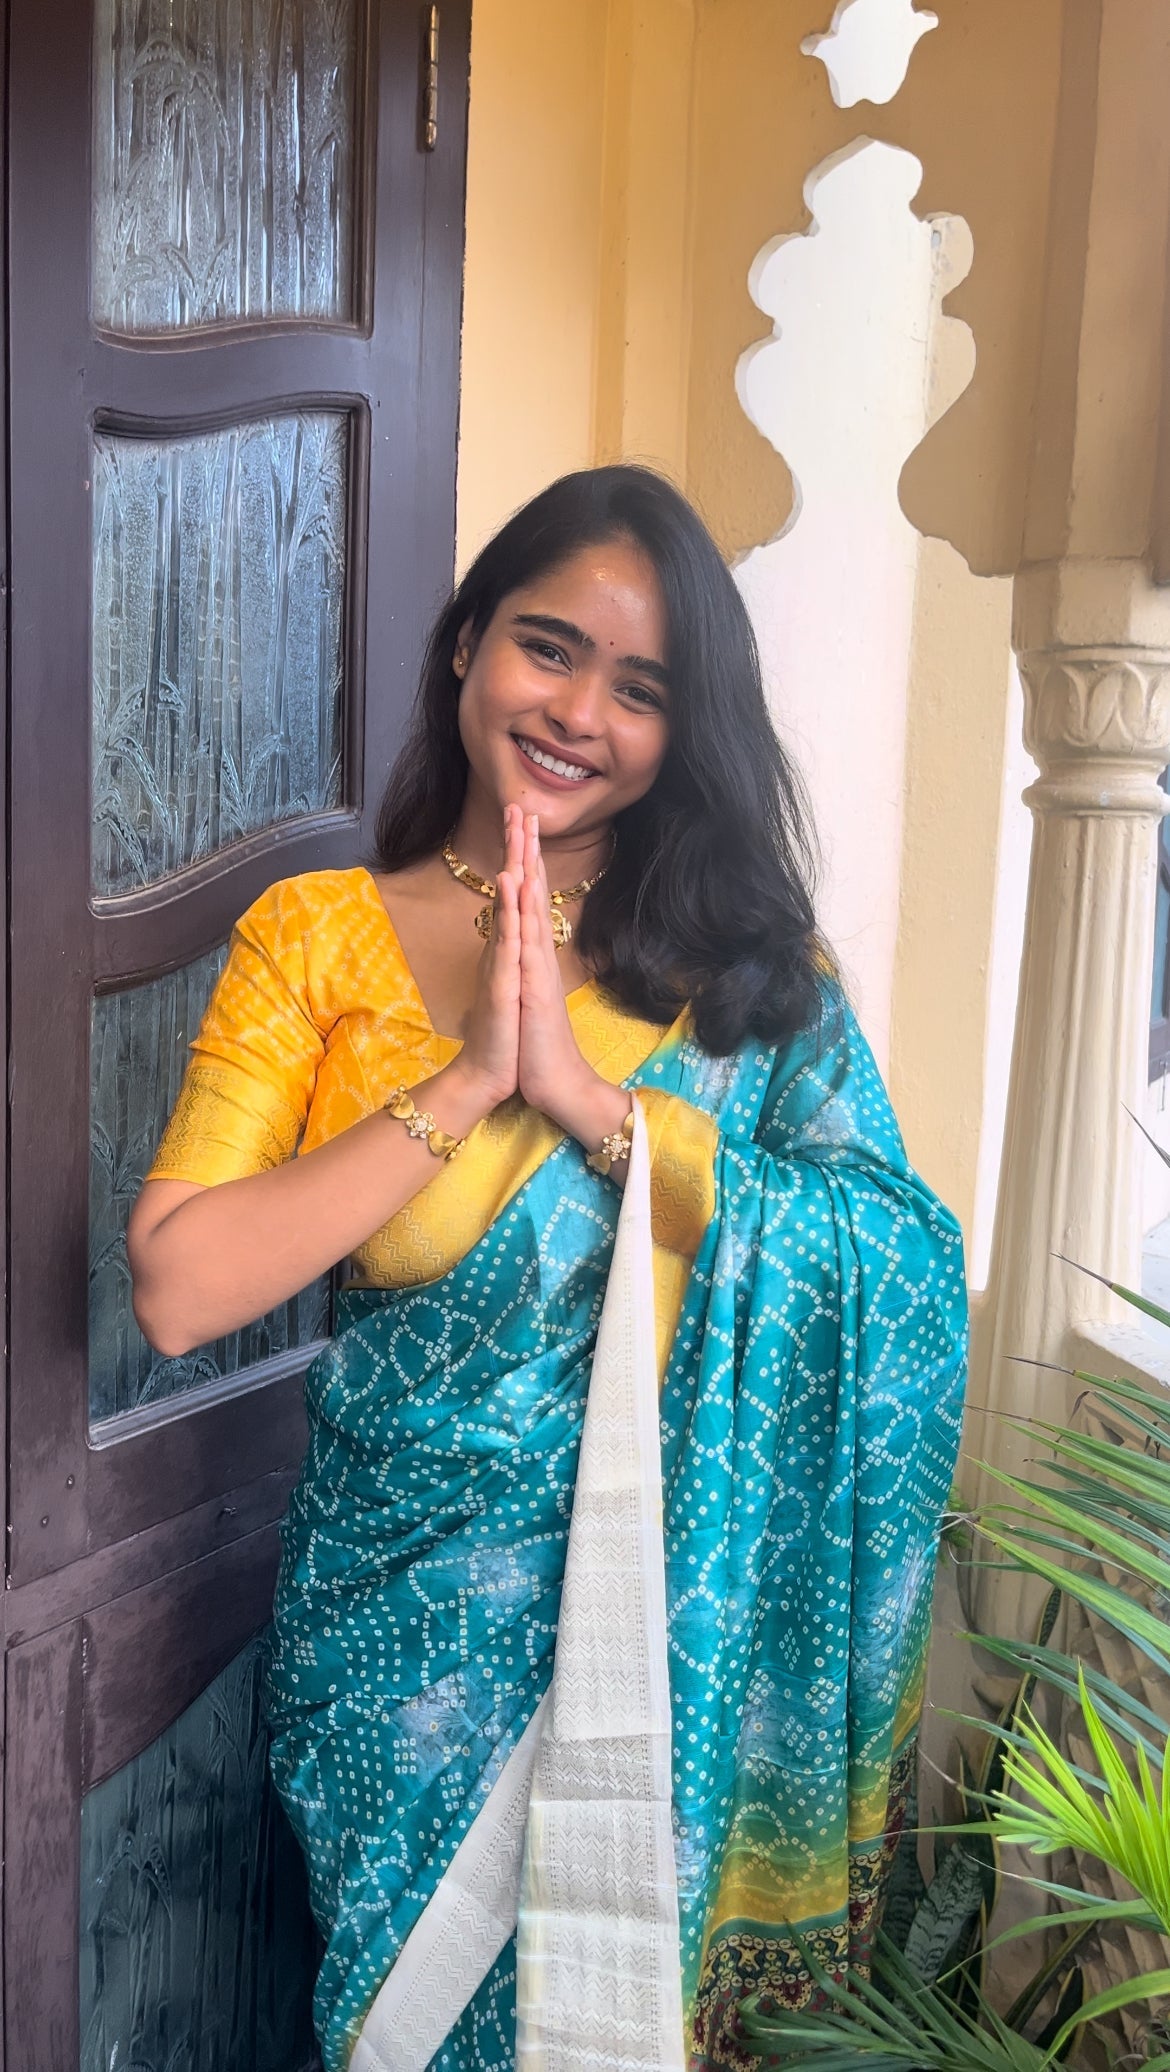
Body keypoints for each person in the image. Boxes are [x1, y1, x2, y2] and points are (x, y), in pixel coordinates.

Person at [129, 465, 967, 2072]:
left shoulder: (751, 981)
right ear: (463, 648)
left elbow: (903, 1271)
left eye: (641, 689)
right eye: (548, 647)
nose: (581, 709)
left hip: (671, 1657)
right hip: (408, 1655)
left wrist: (601, 1114)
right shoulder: (315, 939)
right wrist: (465, 1086)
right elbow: (178, 1289)